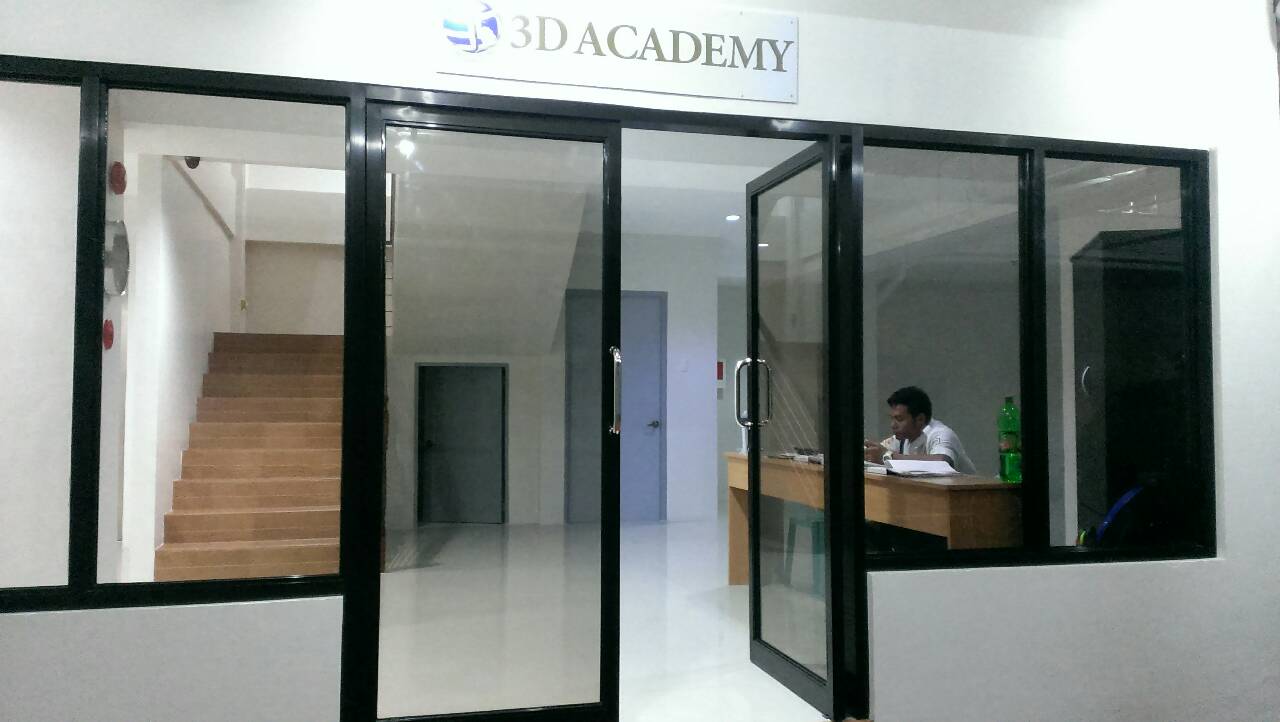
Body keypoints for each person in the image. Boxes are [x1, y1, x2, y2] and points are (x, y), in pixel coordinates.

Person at [862, 386, 977, 475]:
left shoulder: (941, 434)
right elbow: (880, 452)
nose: (893, 425)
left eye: (899, 419)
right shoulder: (901, 438)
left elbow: (943, 462)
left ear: (920, 419)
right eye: (892, 419)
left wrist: (889, 456)